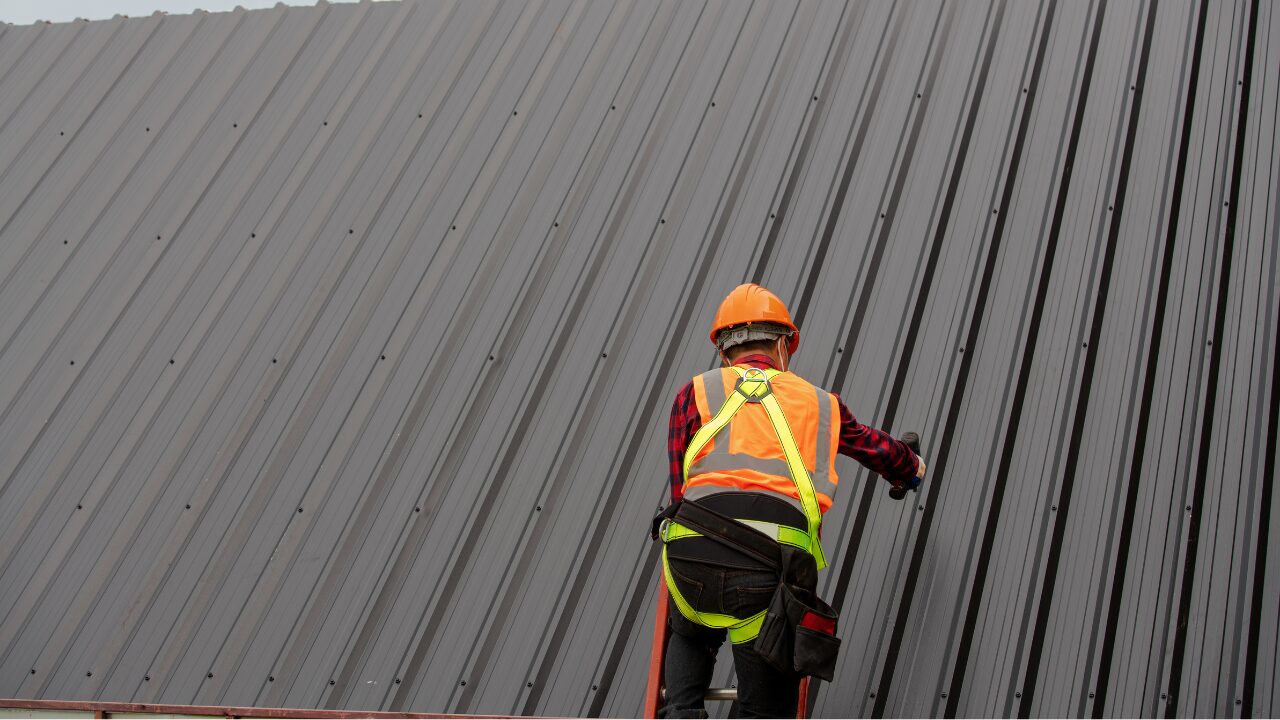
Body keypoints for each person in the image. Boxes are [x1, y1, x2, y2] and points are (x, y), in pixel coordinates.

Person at [656, 283, 926, 718]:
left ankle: (682, 710)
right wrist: (910, 467)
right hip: (771, 574)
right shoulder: (821, 404)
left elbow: (680, 490)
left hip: (693, 557)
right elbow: (879, 450)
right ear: (784, 343)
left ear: (725, 351)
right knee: (763, 700)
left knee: (689, 625)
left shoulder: (695, 392)